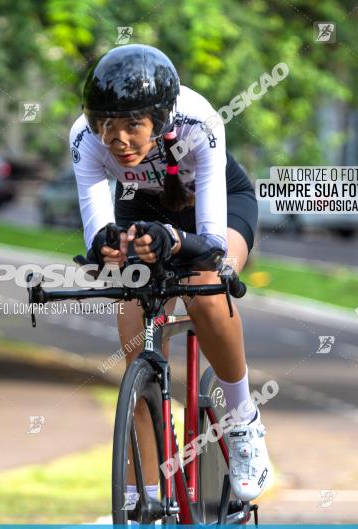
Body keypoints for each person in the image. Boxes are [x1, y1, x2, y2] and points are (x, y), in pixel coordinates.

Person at [70, 44, 271, 505]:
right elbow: (97, 234)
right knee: (134, 329)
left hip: (212, 205)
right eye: (107, 126)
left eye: (132, 126)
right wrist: (108, 249)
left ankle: (243, 422)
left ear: (160, 120)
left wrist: (174, 242)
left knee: (204, 287)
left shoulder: (198, 122)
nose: (117, 139)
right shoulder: (84, 139)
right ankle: (148, 490)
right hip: (142, 211)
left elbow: (212, 245)